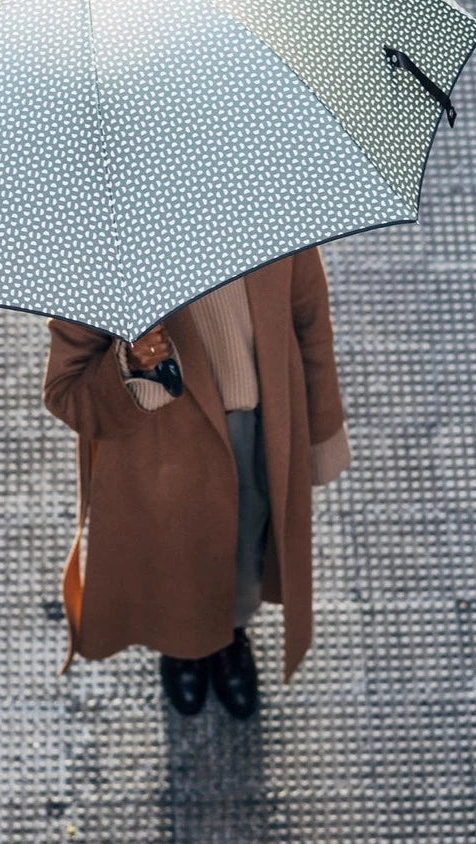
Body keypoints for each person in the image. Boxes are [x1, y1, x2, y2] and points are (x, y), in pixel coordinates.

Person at [41, 245, 351, 718]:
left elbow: (309, 318)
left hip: (260, 428)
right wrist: (134, 364)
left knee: (246, 548)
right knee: (176, 565)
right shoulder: (97, 251)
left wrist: (322, 427)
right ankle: (183, 647)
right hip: (161, 452)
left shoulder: (270, 206)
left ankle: (230, 637)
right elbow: (67, 393)